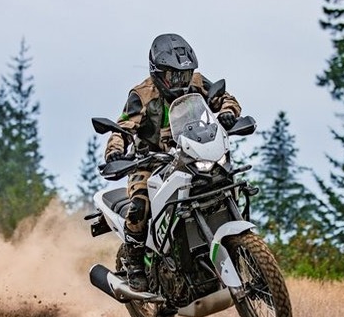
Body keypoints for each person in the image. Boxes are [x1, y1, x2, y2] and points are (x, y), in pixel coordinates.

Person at [104, 33, 242, 292]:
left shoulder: (197, 83)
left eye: (185, 74)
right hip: (150, 163)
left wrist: (227, 113)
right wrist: (115, 151)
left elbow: (227, 98)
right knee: (139, 205)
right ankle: (134, 262)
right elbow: (122, 128)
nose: (182, 81)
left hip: (192, 154)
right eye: (174, 76)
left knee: (226, 180)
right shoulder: (142, 94)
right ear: (158, 73)